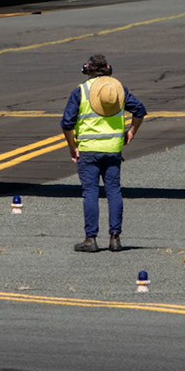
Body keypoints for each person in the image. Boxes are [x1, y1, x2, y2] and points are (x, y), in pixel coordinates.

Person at [61, 54, 145, 252]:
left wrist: (72, 146)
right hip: (113, 149)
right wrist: (131, 131)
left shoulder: (81, 91)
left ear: (87, 70)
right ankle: (115, 238)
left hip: (89, 149)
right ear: (108, 69)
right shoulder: (118, 90)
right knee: (114, 191)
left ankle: (90, 239)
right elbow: (140, 110)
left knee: (90, 192)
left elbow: (66, 123)